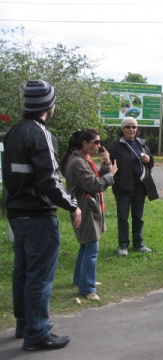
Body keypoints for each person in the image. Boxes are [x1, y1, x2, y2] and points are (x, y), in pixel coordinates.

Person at [2, 79, 81, 351]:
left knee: (22, 272)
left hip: (16, 213)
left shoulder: (13, 132)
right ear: (49, 105)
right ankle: (37, 333)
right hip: (37, 216)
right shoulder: (39, 133)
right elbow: (50, 180)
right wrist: (73, 205)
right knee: (39, 276)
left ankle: (25, 324)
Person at [61, 129, 118, 301]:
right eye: (96, 142)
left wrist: (106, 165)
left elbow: (94, 178)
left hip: (85, 206)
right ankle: (87, 288)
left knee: (86, 245)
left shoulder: (81, 159)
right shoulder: (77, 162)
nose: (99, 146)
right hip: (84, 208)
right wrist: (111, 174)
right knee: (91, 247)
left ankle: (81, 280)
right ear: (84, 144)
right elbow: (94, 184)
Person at [106, 117, 158, 256]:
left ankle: (138, 243)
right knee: (123, 217)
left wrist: (149, 159)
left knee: (138, 217)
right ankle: (123, 245)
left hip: (140, 188)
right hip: (123, 188)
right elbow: (109, 166)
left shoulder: (142, 144)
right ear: (122, 129)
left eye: (134, 127)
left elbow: (150, 164)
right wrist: (117, 181)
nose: (131, 130)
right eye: (128, 127)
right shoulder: (115, 146)